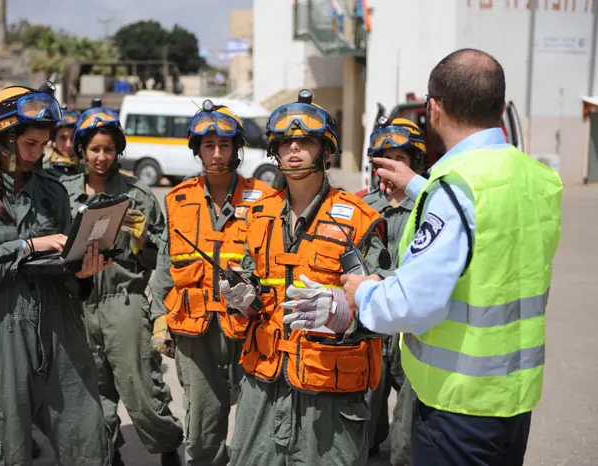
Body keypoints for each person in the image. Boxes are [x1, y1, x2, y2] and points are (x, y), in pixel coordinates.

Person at [342, 49, 563, 466]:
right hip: (512, 401)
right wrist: (419, 188)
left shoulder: (453, 188)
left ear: (435, 108)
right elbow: (487, 236)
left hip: (458, 407)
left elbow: (413, 305)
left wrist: (366, 293)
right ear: (499, 107)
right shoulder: (538, 178)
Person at [0, 84, 113, 466]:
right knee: (5, 454)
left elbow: (66, 271)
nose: (39, 153)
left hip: (60, 336)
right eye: (31, 144)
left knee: (89, 444)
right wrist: (31, 246)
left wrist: (83, 270)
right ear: (4, 138)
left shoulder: (53, 192)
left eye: (44, 144)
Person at [220, 89, 392, 466]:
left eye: (306, 142)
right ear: (274, 152)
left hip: (328, 397)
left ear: (326, 151)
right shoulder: (257, 216)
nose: (294, 149)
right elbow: (251, 286)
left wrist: (345, 315)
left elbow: (388, 306)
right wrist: (242, 300)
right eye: (285, 142)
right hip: (263, 386)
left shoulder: (358, 221)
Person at [151, 99, 275, 466]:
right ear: (197, 150)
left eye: (225, 145)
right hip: (195, 332)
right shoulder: (177, 200)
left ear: (237, 148)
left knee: (257, 429)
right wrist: (160, 319)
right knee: (202, 431)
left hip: (250, 327)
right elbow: (164, 266)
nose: (217, 154)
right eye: (208, 146)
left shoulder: (265, 198)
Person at [60, 105, 183, 466]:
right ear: (82, 148)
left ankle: (168, 445)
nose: (102, 157)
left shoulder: (139, 195)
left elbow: (163, 258)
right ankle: (108, 452)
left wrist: (143, 239)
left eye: (109, 149)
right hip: (77, 306)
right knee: (91, 394)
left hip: (124, 303)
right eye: (95, 148)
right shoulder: (60, 193)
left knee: (142, 389)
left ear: (118, 151)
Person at [361, 117, 427, 465]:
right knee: (364, 429)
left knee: (407, 437)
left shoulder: (430, 205)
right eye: (384, 158)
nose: (391, 166)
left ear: (414, 162)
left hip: (413, 331)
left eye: (400, 158)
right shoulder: (362, 208)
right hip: (372, 327)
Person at [44, 106, 84, 177]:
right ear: (53, 138)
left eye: (73, 138)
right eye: (63, 138)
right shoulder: (42, 169)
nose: (69, 145)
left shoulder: (86, 171)